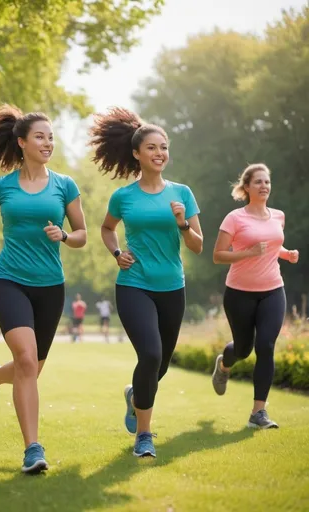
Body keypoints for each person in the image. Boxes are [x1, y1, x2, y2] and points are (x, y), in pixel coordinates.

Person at [0, 104, 87, 474]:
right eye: (40, 136)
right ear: (21, 142)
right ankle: (33, 449)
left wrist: (65, 235)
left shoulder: (65, 185)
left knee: (31, 368)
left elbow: (82, 235)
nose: (47, 142)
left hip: (50, 286)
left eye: (51, 137)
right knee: (25, 360)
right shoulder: (2, 186)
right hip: (9, 279)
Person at [90, 107, 203, 458]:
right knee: (150, 354)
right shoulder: (123, 197)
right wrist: (116, 252)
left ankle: (135, 397)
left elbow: (198, 245)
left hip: (172, 285)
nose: (159, 153)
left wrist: (183, 223)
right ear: (137, 153)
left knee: (160, 365)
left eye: (164, 147)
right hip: (134, 283)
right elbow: (107, 229)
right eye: (152, 147)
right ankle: (144, 435)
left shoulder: (182, 193)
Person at [211, 163, 299, 429]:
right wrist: (248, 253)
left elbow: (273, 244)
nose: (264, 186)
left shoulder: (278, 216)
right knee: (243, 349)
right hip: (240, 293)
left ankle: (258, 413)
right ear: (247, 187)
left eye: (267, 182)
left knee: (266, 347)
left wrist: (286, 254)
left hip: (273, 289)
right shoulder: (235, 218)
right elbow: (218, 255)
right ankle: (224, 365)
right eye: (258, 182)